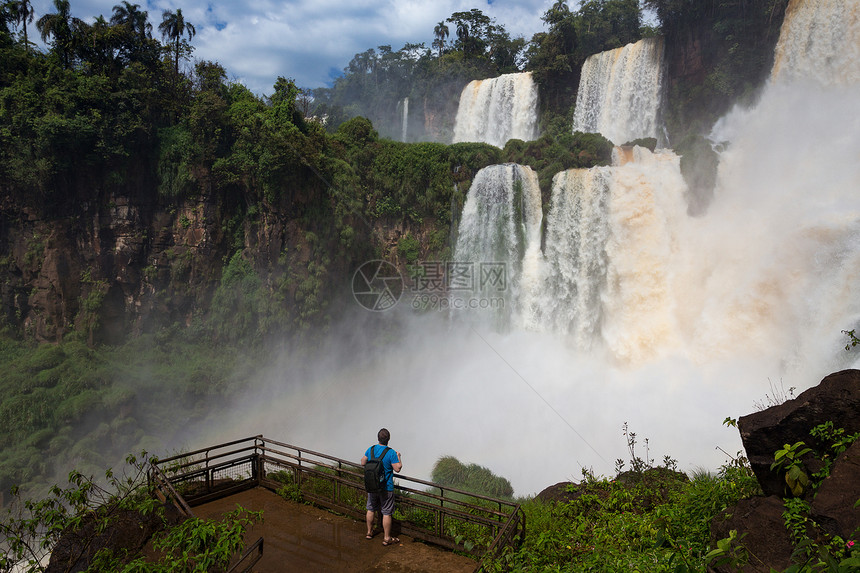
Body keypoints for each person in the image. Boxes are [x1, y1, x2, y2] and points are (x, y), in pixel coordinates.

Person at [361, 427, 402, 546]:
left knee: (370, 508)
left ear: (378, 438)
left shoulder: (371, 449)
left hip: (372, 485)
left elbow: (363, 462)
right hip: (386, 487)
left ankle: (369, 532)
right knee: (386, 512)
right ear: (388, 440)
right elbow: (397, 468)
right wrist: (399, 456)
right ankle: (386, 538)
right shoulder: (391, 452)